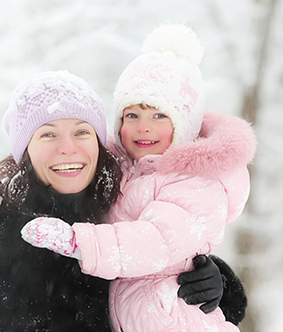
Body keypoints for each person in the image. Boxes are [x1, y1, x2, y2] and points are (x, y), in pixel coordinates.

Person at [0, 71, 246, 331]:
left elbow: (156, 250)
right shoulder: (13, 240)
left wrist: (213, 282)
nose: (68, 148)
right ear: (26, 152)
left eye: (82, 132)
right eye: (48, 135)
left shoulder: (112, 199)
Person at [21, 24, 256, 332]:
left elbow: (157, 241)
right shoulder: (121, 171)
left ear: (184, 125)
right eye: (132, 115)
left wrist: (79, 242)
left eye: (159, 115)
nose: (144, 127)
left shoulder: (193, 182)